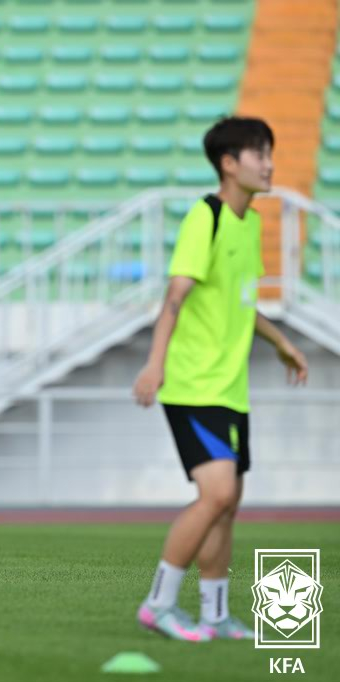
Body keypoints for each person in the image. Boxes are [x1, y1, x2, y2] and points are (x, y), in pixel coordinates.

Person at [132, 117, 308, 641]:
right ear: (229, 163)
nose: (270, 163)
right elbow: (175, 297)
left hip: (231, 390)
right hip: (192, 385)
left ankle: (214, 613)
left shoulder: (250, 223)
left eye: (270, 153)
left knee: (228, 504)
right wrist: (155, 363)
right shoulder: (203, 218)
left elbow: (242, 304)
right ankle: (159, 604)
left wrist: (282, 344)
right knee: (216, 494)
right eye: (259, 153)